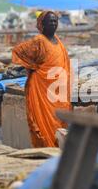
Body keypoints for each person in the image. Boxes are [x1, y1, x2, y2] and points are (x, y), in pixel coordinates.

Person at [12, 11, 72, 148]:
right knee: (43, 125)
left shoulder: (58, 40)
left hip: (57, 92)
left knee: (58, 123)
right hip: (41, 91)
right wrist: (33, 67)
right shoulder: (39, 41)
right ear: (42, 24)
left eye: (55, 21)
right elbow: (18, 52)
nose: (53, 23)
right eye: (50, 21)